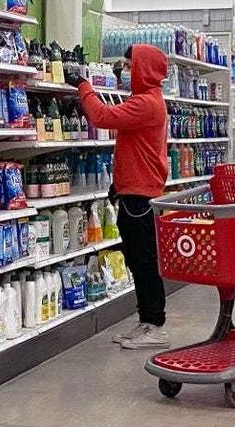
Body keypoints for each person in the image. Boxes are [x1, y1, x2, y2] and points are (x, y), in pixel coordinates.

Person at [66, 44, 170, 348]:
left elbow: (101, 116)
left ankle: (155, 325)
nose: (122, 71)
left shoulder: (148, 103)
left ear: (143, 69)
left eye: (128, 65)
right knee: (137, 261)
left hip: (141, 196)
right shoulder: (144, 100)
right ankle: (146, 321)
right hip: (133, 191)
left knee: (145, 261)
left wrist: (83, 85)